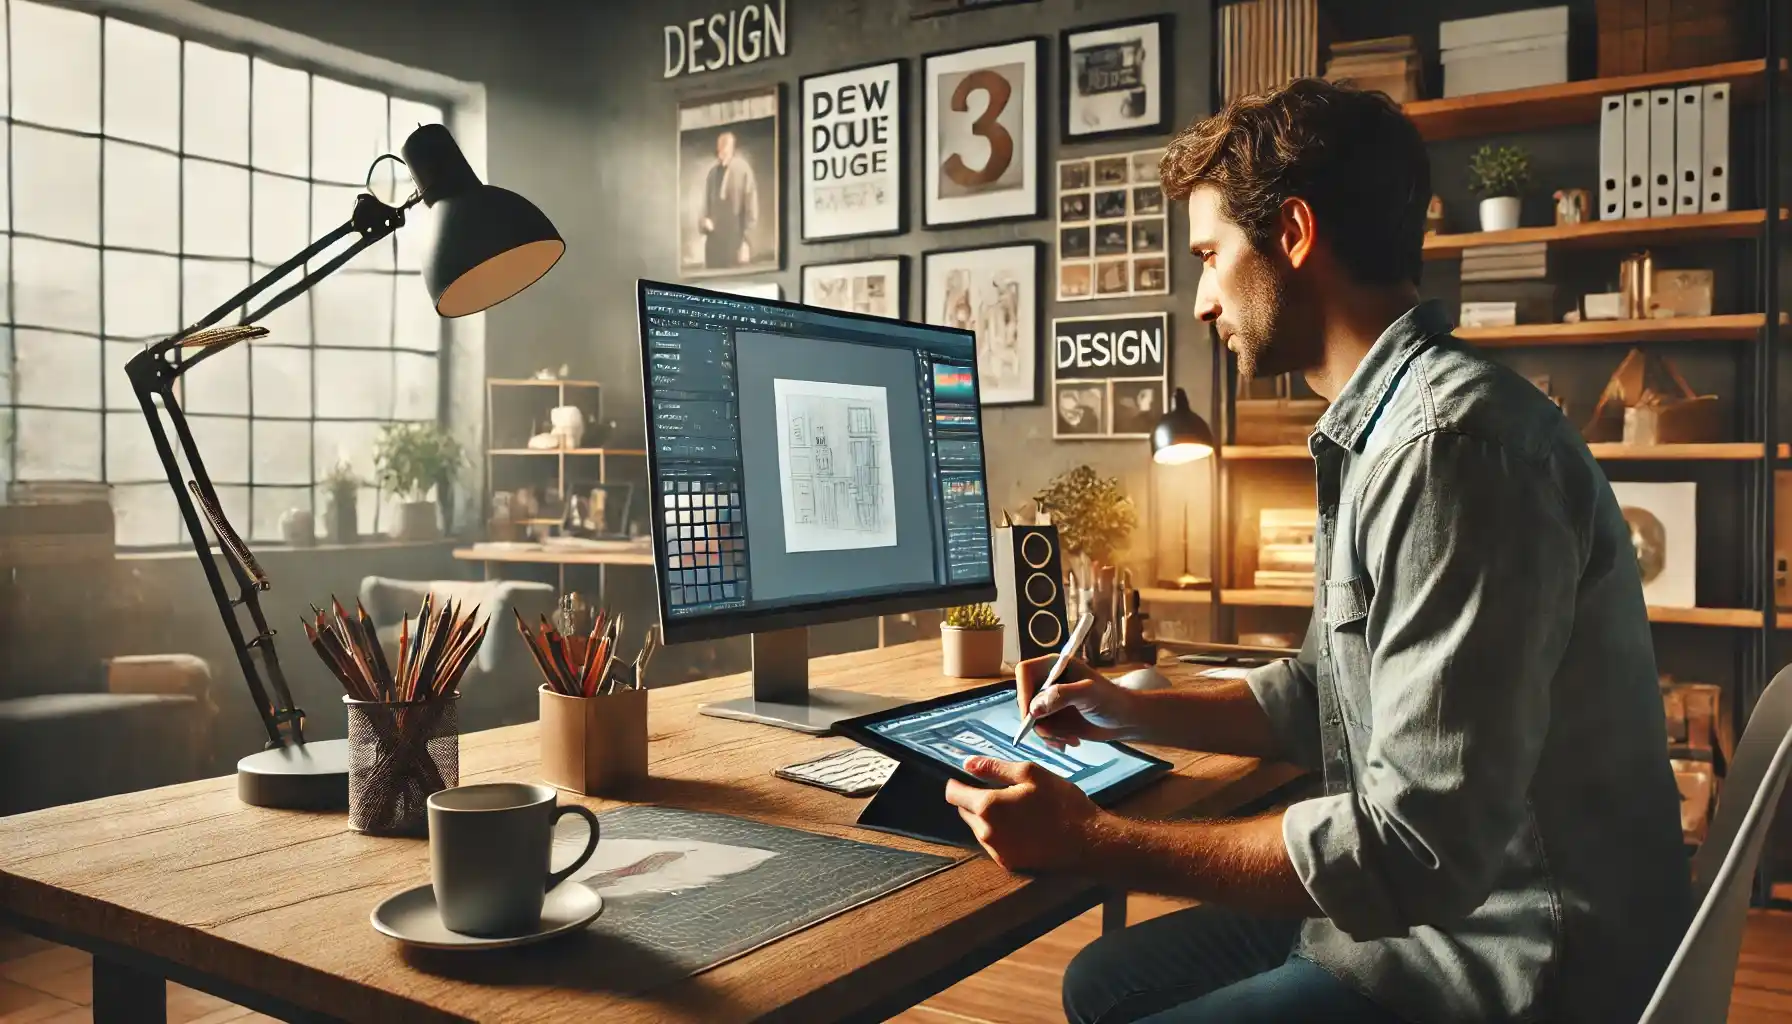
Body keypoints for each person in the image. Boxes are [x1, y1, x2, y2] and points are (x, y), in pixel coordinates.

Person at [943, 77, 1690, 1024]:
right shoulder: (1386, 432)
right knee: (1103, 981)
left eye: (1212, 257)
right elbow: (1320, 698)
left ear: (1293, 235)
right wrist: (1124, 711)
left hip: (1512, 959)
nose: (1205, 301)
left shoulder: (1446, 451)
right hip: (1434, 915)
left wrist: (1096, 840)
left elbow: (1411, 849)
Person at [700, 130, 757, 269]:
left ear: (732, 149)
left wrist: (745, 240)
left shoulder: (743, 170)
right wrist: (704, 222)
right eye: (719, 149)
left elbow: (751, 207)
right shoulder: (712, 173)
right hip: (715, 243)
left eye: (725, 149)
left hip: (735, 241)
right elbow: (706, 205)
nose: (721, 153)